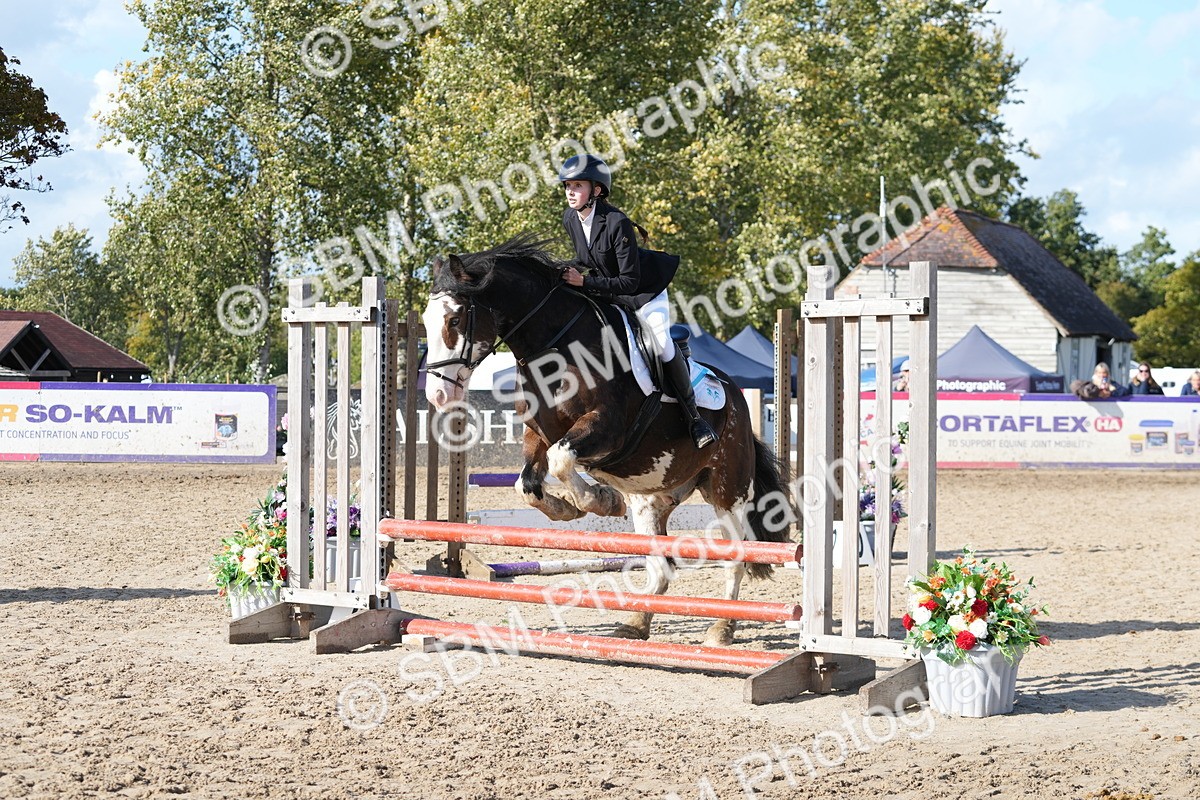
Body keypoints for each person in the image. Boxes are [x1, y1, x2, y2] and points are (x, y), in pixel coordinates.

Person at [558, 154, 717, 449]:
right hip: (608, 292)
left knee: (660, 343)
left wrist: (585, 282)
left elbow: (629, 281)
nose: (570, 191)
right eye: (567, 185)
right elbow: (585, 258)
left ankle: (694, 418)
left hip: (643, 293)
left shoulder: (617, 222)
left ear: (596, 190)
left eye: (577, 185)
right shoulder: (571, 218)